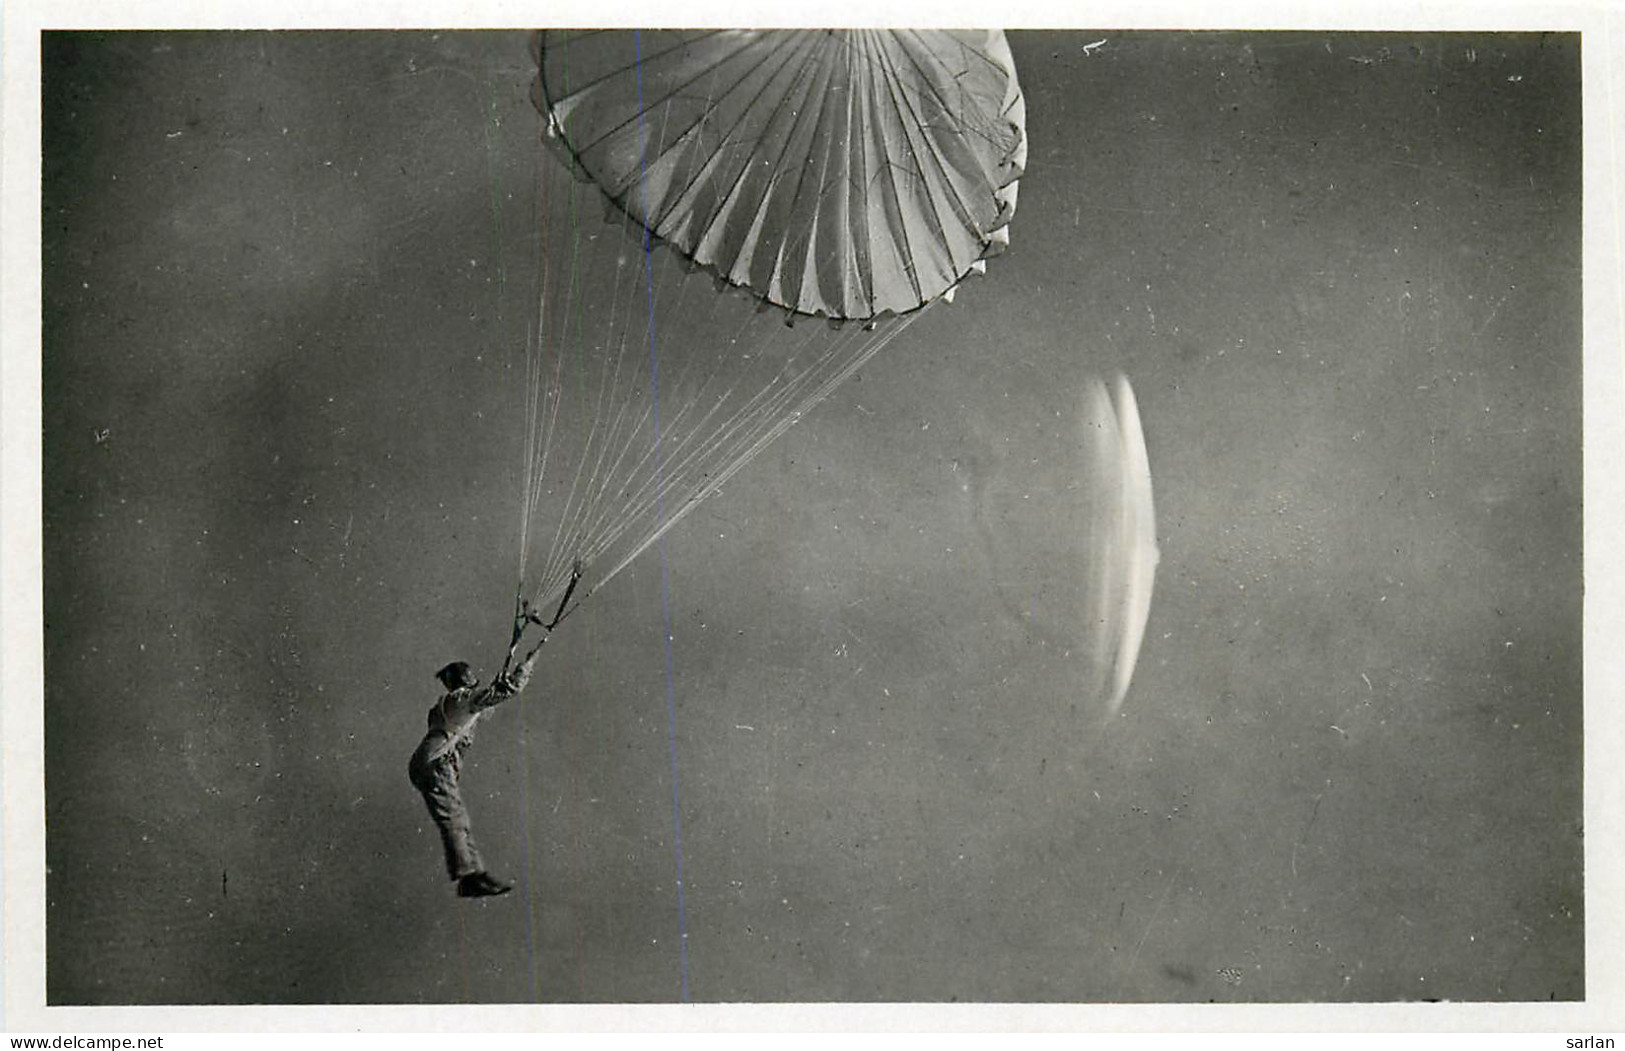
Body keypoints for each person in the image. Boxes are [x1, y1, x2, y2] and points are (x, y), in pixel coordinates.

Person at [408, 652, 538, 898]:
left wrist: (496, 688)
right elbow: (509, 691)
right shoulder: (461, 699)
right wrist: (527, 665)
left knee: (459, 818)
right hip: (436, 763)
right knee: (454, 819)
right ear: (466, 682)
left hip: (430, 763)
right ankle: (468, 877)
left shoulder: (449, 704)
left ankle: (475, 873)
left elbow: (483, 710)